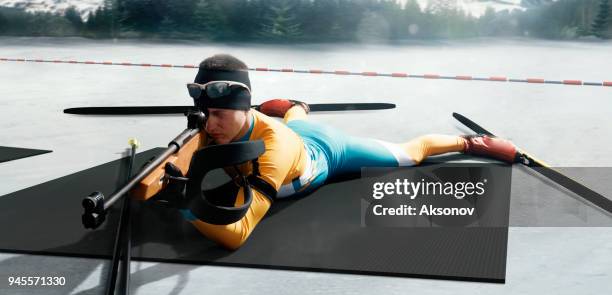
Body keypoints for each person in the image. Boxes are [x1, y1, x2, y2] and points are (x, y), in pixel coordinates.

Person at [176, 54, 517, 250]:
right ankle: (296, 108)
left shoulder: (273, 149)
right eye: (206, 115)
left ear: (245, 109)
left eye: (219, 115)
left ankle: (470, 142)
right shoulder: (216, 125)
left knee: (408, 154)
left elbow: (238, 233)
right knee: (295, 121)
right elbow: (190, 151)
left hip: (327, 151)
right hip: (295, 129)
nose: (210, 126)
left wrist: (187, 204)